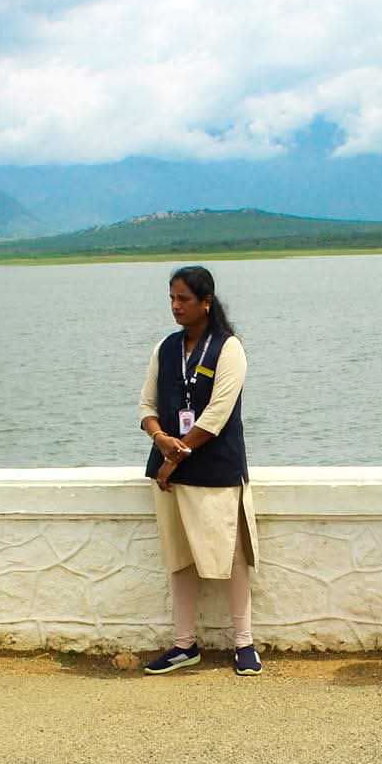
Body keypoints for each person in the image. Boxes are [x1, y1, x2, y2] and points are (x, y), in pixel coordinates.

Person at [136, 265, 261, 675]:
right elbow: (146, 408)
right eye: (171, 298)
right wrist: (160, 440)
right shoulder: (166, 348)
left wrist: (175, 457)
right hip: (170, 474)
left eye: (184, 299)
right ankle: (184, 644)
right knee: (180, 558)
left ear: (206, 301)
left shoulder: (229, 348)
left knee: (231, 555)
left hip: (214, 469)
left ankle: (244, 643)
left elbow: (217, 414)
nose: (175, 307)